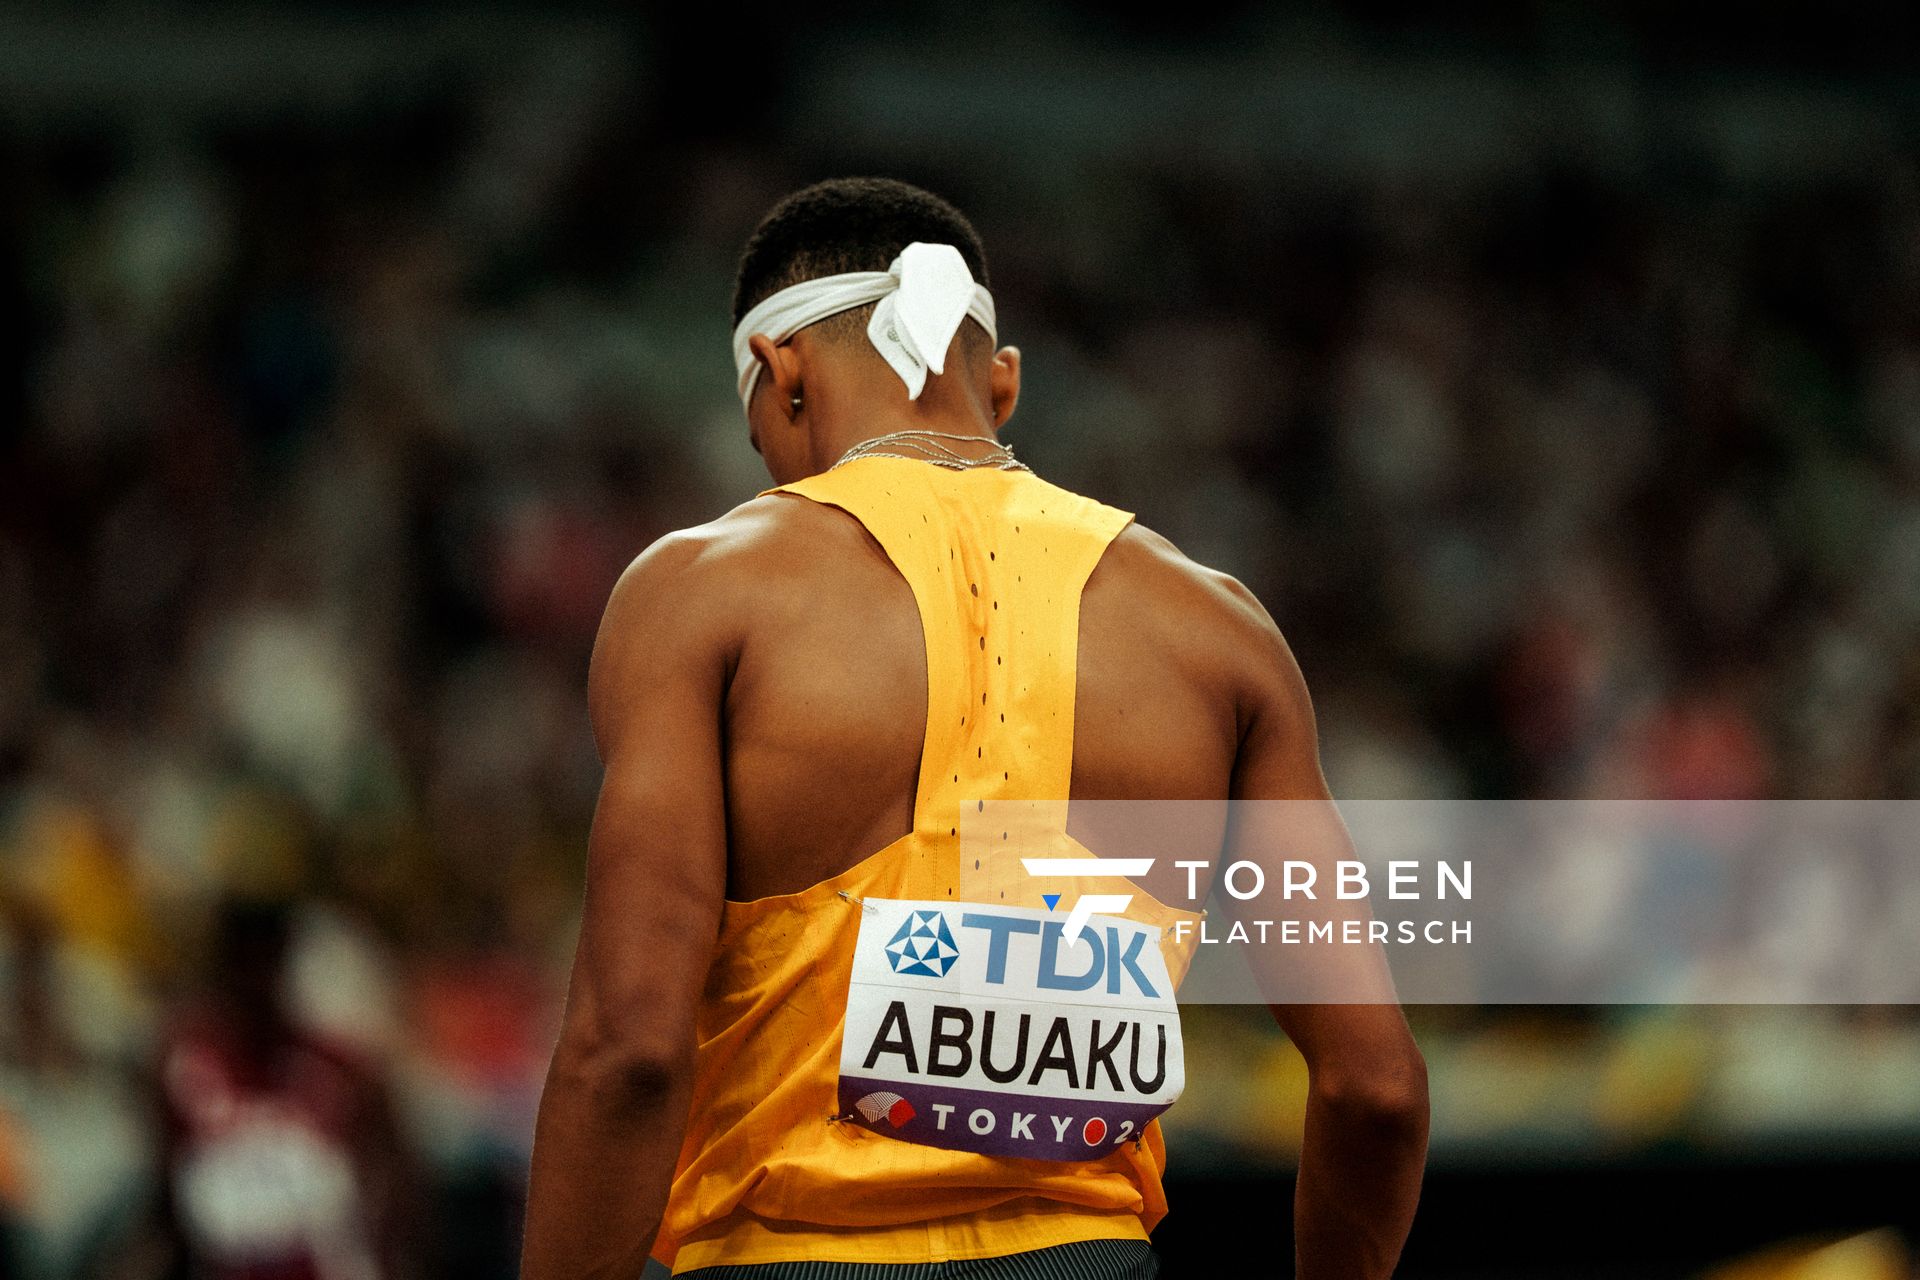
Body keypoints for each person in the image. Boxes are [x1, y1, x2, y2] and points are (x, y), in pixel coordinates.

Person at [522, 177, 1428, 1279]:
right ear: (1000, 380)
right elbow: (1377, 1088)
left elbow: (629, 1051)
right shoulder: (1220, 631)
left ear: (780, 372)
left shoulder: (701, 594)